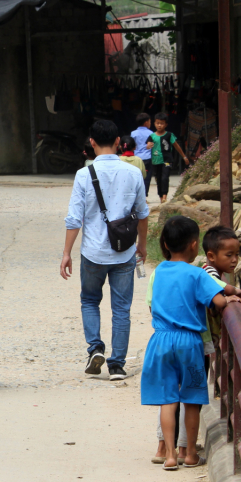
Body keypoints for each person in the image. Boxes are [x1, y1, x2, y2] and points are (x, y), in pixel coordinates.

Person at [140, 216, 240, 470]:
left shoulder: (159, 270)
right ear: (195, 246)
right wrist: (232, 298)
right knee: (192, 400)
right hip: (189, 343)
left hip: (161, 340)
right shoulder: (196, 274)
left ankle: (170, 455)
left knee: (167, 399)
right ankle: (191, 455)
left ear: (164, 243)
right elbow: (218, 301)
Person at [61, 120, 150, 381]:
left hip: (92, 253)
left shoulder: (83, 175)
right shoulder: (133, 174)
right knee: (121, 308)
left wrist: (66, 253)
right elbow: (143, 214)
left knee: (90, 300)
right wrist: (141, 245)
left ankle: (95, 348)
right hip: (124, 252)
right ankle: (117, 366)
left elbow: (73, 219)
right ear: (120, 143)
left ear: (91, 143)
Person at [150, 112, 189, 203]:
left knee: (165, 177)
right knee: (158, 179)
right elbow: (147, 147)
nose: (159, 125)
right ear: (154, 123)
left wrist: (184, 156)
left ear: (166, 124)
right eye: (158, 123)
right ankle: (161, 197)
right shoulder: (152, 136)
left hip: (167, 160)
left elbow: (176, 146)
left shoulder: (169, 135)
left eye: (162, 123)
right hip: (156, 161)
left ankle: (164, 196)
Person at [131, 113, 154, 195]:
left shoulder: (133, 133)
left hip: (136, 158)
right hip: (147, 158)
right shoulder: (151, 133)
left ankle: (136, 195)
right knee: (147, 178)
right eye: (150, 122)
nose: (150, 123)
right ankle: (144, 196)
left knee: (136, 177)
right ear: (146, 123)